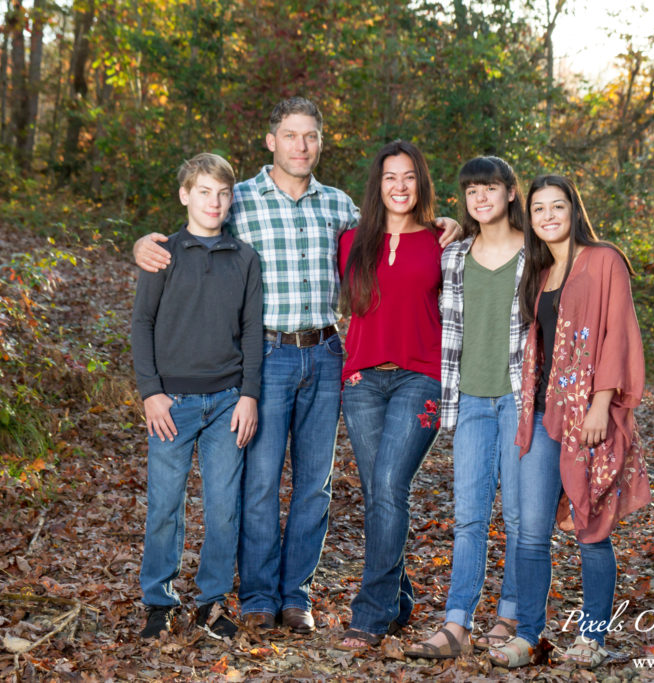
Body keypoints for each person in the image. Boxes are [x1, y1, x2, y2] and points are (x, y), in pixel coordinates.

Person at [132, 98, 461, 634]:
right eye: (290, 135)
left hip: (330, 353)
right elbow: (195, 228)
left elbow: (398, 230)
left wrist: (444, 222)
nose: (301, 146)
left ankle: (295, 596)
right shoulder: (239, 201)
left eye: (310, 136)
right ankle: (258, 596)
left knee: (315, 484)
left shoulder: (339, 206)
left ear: (320, 142)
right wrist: (145, 244)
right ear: (271, 141)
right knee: (260, 481)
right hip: (265, 357)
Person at [488, 174, 650, 669]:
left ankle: (592, 637)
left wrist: (602, 405)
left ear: (574, 210)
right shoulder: (538, 271)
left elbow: (617, 333)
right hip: (539, 414)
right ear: (531, 219)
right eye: (539, 209)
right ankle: (530, 636)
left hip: (587, 415)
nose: (549, 216)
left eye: (558, 206)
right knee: (530, 531)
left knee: (591, 526)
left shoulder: (604, 260)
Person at [131, 153, 262, 641]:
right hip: (172, 405)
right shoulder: (162, 253)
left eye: (223, 193)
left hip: (228, 402)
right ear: (185, 195)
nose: (214, 201)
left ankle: (211, 602)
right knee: (165, 504)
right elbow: (141, 323)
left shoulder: (244, 258)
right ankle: (159, 602)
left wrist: (249, 396)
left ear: (232, 200)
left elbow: (251, 333)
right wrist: (151, 393)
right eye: (204, 191)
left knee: (223, 506)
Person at [405, 156, 528, 659]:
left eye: (490, 189)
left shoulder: (537, 254)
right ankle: (456, 624)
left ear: (511, 194)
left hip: (523, 400)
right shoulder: (454, 256)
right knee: (470, 518)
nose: (481, 198)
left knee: (522, 518)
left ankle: (512, 615)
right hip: (472, 398)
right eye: (472, 191)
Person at [334, 141, 443, 651]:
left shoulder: (445, 242)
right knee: (379, 492)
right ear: (377, 186)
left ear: (421, 182)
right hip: (361, 381)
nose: (399, 186)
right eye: (389, 177)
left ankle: (372, 613)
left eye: (409, 177)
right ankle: (398, 598)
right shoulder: (350, 241)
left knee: (388, 486)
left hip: (420, 377)